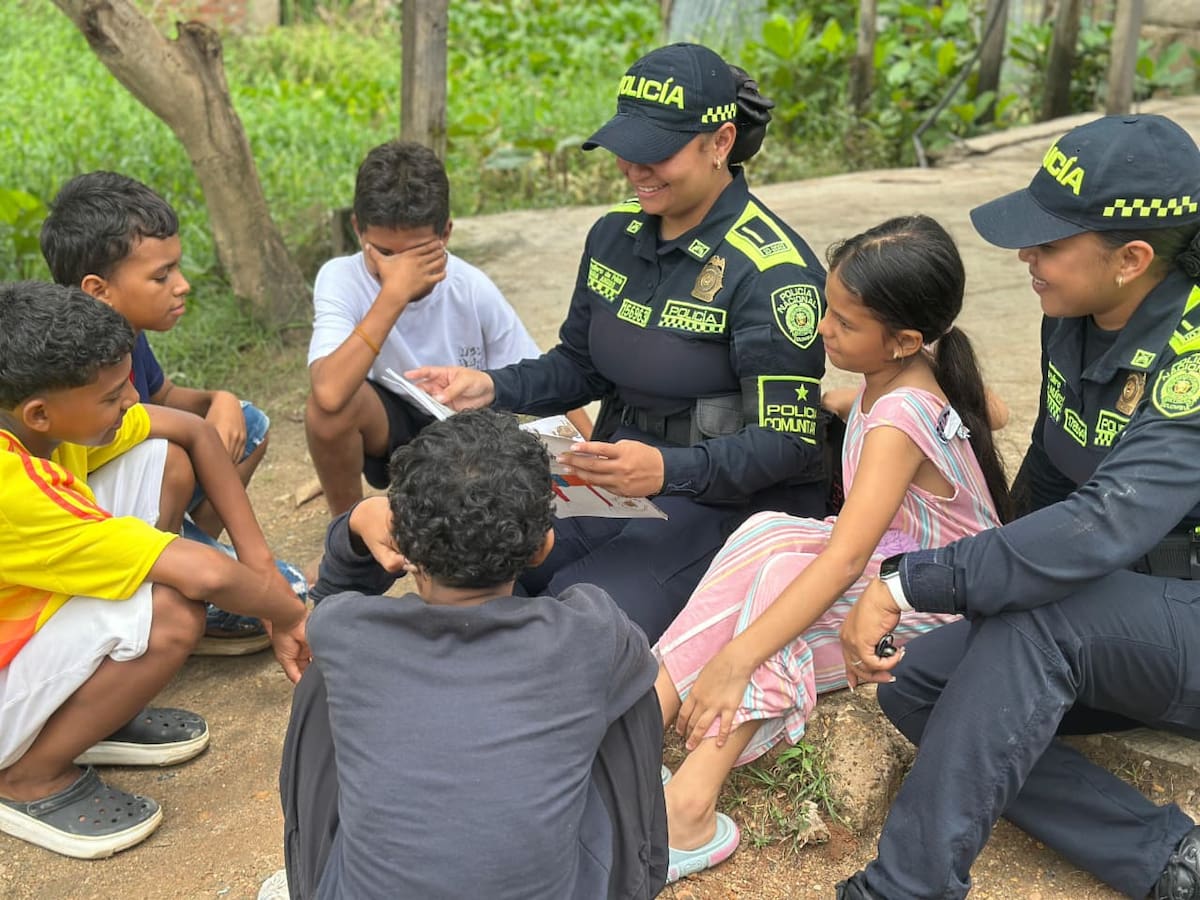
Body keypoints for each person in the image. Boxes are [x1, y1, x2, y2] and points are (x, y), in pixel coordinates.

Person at [838, 114, 1200, 900]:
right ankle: (1168, 860)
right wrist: (992, 572)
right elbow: (1052, 472)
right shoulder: (1072, 316)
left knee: (1043, 618)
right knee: (916, 683)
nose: (1024, 258)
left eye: (1048, 244)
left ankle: (902, 889)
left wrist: (907, 582)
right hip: (1116, 609)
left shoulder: (1192, 360)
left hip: (1180, 620)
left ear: (1133, 258)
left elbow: (1102, 522)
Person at [409, 43, 829, 643]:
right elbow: (581, 364)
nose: (635, 169)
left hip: (728, 501)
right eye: (626, 150)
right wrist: (495, 387)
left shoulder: (770, 272)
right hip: (615, 474)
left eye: (656, 153)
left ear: (720, 142)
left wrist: (669, 470)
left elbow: (788, 442)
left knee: (574, 624)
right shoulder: (615, 233)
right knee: (486, 572)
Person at [651, 215, 1008, 881]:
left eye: (844, 324)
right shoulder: (912, 372)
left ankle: (688, 805)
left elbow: (843, 561)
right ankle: (641, 731)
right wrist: (848, 399)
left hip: (932, 600)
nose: (824, 330)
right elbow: (992, 410)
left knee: (785, 578)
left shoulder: (903, 417)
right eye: (828, 309)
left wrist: (735, 660)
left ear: (903, 340)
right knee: (765, 534)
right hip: (896, 564)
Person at [272, 408, 665, 900]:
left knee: (318, 684)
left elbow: (327, 602)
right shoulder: (590, 632)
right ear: (543, 545)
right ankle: (633, 881)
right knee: (630, 684)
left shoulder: (347, 632)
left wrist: (353, 526)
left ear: (404, 547)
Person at [0, 282, 309, 859]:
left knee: (163, 457)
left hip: (21, 611)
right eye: (113, 396)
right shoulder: (16, 489)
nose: (128, 403)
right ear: (40, 413)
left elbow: (193, 431)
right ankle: (25, 780)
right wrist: (287, 609)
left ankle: (86, 715)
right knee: (170, 611)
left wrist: (260, 565)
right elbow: (204, 577)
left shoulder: (34, 427)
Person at [39, 172, 305, 656]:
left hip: (133, 498)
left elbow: (169, 399)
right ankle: (165, 595)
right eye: (162, 276)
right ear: (98, 290)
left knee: (246, 420)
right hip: (86, 525)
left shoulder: (126, 336)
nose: (181, 286)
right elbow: (170, 428)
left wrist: (219, 399)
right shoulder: (76, 372)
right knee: (174, 460)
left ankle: (195, 559)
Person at [305, 140, 591, 517]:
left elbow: (546, 379)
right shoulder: (341, 277)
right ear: (358, 230)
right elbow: (328, 393)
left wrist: (594, 449)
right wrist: (394, 295)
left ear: (447, 235)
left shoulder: (470, 287)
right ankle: (348, 531)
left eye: (418, 255)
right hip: (391, 419)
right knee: (328, 411)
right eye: (386, 254)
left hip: (466, 431)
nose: (399, 269)